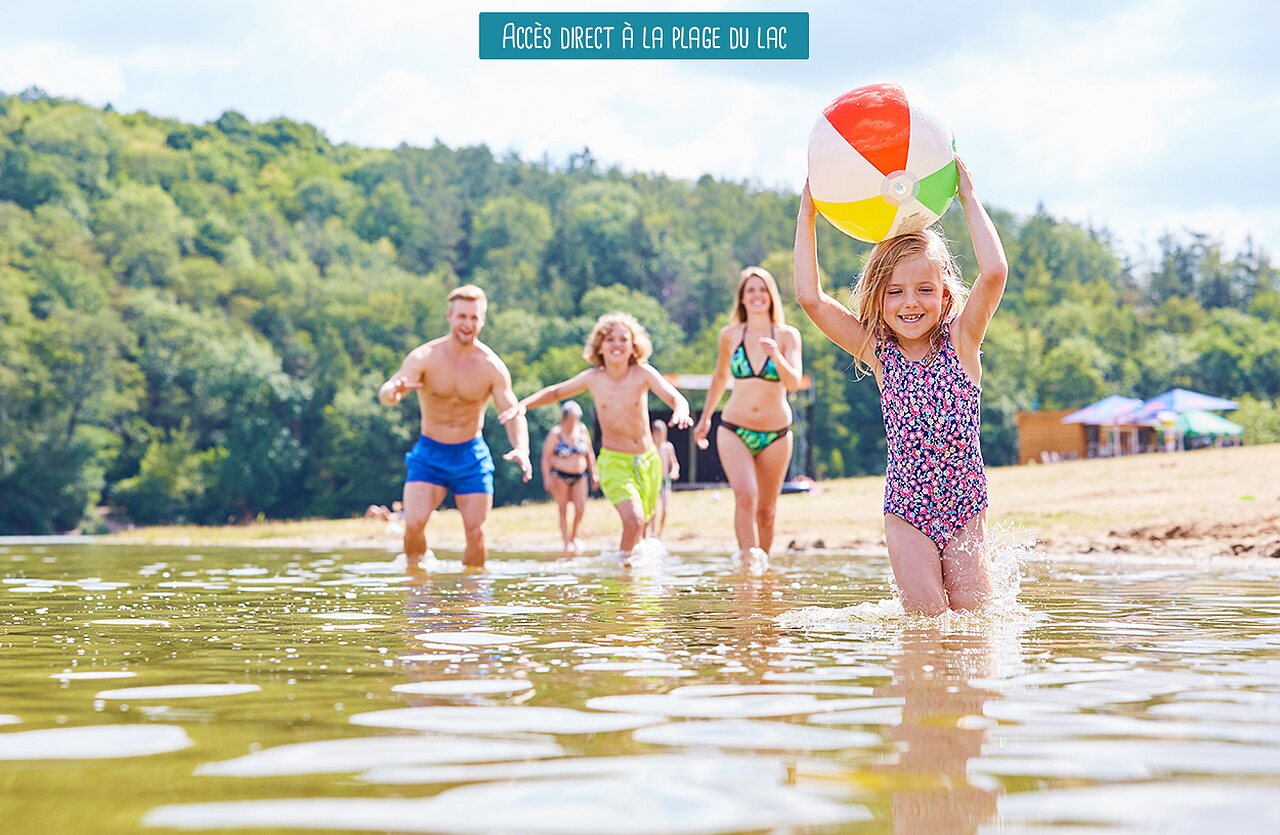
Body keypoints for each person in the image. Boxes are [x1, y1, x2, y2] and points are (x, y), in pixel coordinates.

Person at [794, 158, 1008, 615]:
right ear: (877, 297)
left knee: (976, 619)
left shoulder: (962, 339)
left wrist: (969, 198)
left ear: (945, 294)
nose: (910, 303)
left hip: (966, 504)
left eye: (924, 289)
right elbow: (811, 298)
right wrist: (808, 214)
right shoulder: (879, 351)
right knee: (926, 623)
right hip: (906, 509)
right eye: (894, 291)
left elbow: (993, 273)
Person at [500, 313, 692, 562]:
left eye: (623, 339)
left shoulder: (643, 373)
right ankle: (624, 571)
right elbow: (556, 392)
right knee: (633, 520)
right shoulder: (594, 378)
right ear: (599, 346)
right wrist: (523, 405)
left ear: (633, 346)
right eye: (610, 339)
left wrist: (681, 409)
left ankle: (631, 574)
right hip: (615, 462)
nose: (617, 344)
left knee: (643, 528)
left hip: (648, 461)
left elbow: (675, 398)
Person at [378, 285, 532, 570]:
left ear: (482, 320)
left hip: (470, 455)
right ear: (449, 316)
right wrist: (393, 391)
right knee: (413, 525)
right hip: (430, 452)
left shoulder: (491, 366)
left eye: (474, 317)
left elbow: (512, 413)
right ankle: (417, 578)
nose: (468, 324)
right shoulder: (425, 356)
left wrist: (521, 448)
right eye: (462, 316)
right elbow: (388, 391)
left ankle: (472, 591)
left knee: (476, 533)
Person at [693, 267, 803, 562]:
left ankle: (763, 569)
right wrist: (704, 419)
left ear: (771, 295)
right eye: (750, 290)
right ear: (742, 298)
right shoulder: (730, 335)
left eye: (762, 289)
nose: (757, 295)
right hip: (734, 428)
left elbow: (793, 383)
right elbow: (719, 378)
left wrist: (776, 355)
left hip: (776, 435)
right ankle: (747, 566)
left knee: (766, 512)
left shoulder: (787, 335)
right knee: (745, 496)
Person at [541, 400, 599, 556]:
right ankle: (566, 541)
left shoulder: (582, 430)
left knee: (580, 508)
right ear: (565, 418)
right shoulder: (556, 433)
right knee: (563, 508)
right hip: (560, 475)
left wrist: (594, 473)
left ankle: (574, 535)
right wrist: (547, 478)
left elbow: (589, 454)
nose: (574, 422)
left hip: (580, 475)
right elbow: (546, 457)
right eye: (571, 419)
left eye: (576, 419)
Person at [649, 418, 680, 539]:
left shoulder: (667, 447)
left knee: (665, 509)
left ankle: (660, 533)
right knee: (653, 510)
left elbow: (674, 463)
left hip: (665, 481)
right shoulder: (650, 448)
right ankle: (652, 533)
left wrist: (674, 472)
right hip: (653, 482)